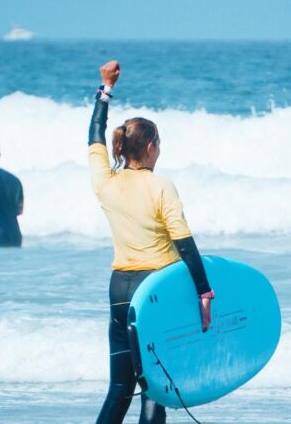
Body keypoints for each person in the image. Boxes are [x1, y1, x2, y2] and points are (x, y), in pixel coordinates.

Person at [89, 61, 215, 424]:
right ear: (149, 146)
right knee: (155, 387)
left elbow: (94, 136)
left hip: (119, 290)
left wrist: (105, 89)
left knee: (119, 389)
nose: (160, 151)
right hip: (156, 289)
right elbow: (185, 243)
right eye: (158, 145)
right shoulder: (161, 186)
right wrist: (204, 293)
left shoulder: (105, 181)